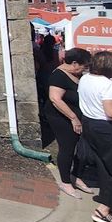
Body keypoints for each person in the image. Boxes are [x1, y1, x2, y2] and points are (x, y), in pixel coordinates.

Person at [78, 50, 112, 222]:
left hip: (91, 125)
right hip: (108, 129)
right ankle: (104, 210)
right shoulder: (108, 86)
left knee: (105, 167)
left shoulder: (86, 78)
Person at [44, 48, 93, 198]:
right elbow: (55, 99)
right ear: (74, 63)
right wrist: (73, 118)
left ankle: (75, 176)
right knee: (67, 147)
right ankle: (65, 182)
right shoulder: (58, 76)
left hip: (76, 116)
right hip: (61, 118)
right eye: (84, 66)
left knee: (80, 147)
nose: (85, 69)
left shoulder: (75, 74)